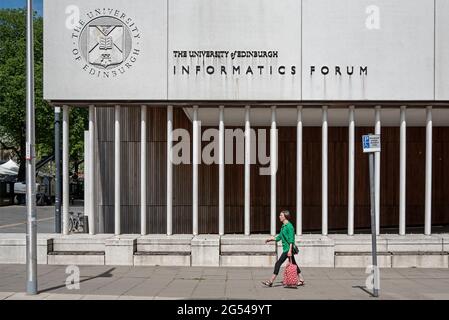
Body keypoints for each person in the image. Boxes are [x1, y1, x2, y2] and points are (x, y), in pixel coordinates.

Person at [262, 210, 305, 287]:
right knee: (294, 263)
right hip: (287, 248)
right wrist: (271, 239)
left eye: (281, 215)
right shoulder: (283, 226)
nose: (279, 217)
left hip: (288, 249)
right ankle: (301, 279)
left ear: (285, 217)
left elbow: (292, 239)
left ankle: (270, 281)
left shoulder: (289, 226)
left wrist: (289, 250)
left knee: (278, 263)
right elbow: (280, 237)